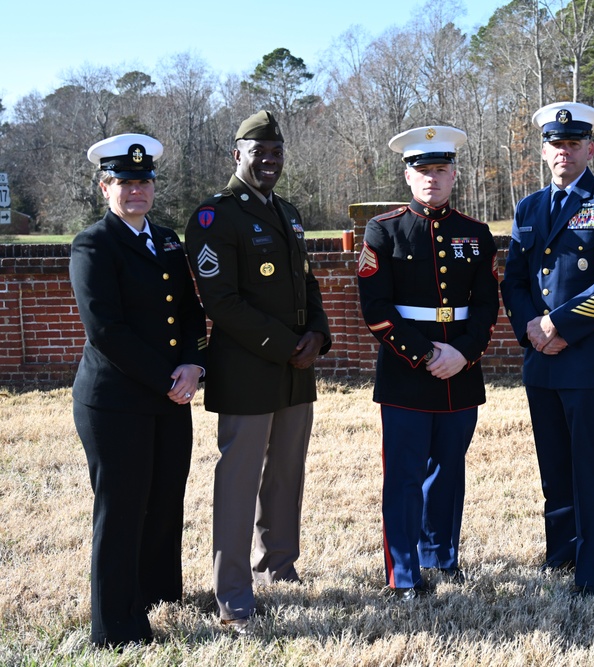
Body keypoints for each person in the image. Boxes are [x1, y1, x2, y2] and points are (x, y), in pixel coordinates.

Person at [184, 110, 331, 630]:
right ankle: (233, 592)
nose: (269, 161)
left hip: (295, 368)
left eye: (276, 153)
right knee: (239, 482)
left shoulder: (288, 212)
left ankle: (278, 566)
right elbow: (220, 302)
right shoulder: (213, 216)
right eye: (259, 153)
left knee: (287, 475)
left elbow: (306, 284)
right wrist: (288, 343)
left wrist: (319, 334)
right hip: (249, 368)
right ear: (237, 155)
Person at [500, 102, 594, 595]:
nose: (564, 151)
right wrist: (533, 331)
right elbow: (513, 280)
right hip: (541, 359)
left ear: (590, 148)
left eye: (573, 143)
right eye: (555, 144)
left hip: (587, 357)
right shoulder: (529, 208)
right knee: (555, 467)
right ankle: (562, 554)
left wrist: (558, 324)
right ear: (544, 151)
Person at [71, 133, 207, 647]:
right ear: (105, 188)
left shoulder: (168, 239)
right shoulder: (93, 245)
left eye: (143, 181)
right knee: (123, 507)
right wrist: (168, 378)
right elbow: (105, 330)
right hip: (116, 401)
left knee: (165, 497)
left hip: (171, 394)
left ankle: (158, 593)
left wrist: (194, 363)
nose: (135, 191)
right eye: (124, 182)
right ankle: (116, 626)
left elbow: (192, 312)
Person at [357, 125, 499, 600]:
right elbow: (375, 309)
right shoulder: (384, 229)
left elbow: (485, 306)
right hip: (407, 373)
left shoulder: (476, 235)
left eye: (440, 170)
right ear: (408, 175)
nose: (432, 179)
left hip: (461, 370)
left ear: (454, 174)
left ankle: (441, 556)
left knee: (449, 471)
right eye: (423, 171)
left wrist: (462, 353)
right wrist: (426, 354)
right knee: (404, 476)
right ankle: (403, 573)